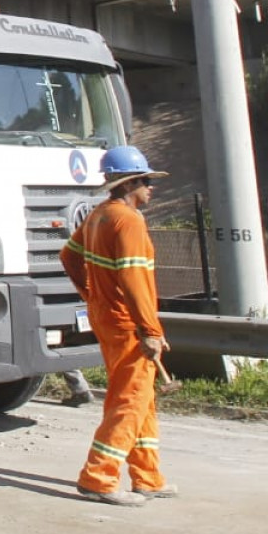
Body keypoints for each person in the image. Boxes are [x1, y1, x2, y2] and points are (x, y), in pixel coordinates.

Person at [62, 146, 175, 507]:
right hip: (128, 324)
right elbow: (134, 280)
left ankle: (148, 476)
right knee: (130, 398)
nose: (150, 188)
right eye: (146, 181)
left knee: (141, 397)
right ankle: (99, 477)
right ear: (129, 184)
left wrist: (92, 294)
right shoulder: (129, 221)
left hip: (107, 317)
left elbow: (69, 255)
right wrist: (151, 330)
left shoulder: (100, 215)